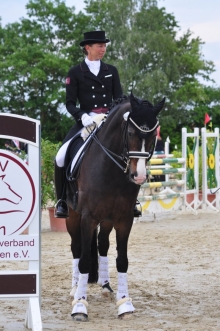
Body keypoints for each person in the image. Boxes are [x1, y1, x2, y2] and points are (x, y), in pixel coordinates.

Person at [54, 30, 141, 218]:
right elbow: (69, 103)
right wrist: (82, 116)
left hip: (109, 121)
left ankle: (131, 201)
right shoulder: (75, 72)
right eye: (100, 46)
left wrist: (118, 114)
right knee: (61, 156)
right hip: (86, 121)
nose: (103, 49)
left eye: (104, 46)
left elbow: (119, 98)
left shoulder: (111, 71)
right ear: (88, 47)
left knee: (130, 150)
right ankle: (62, 200)